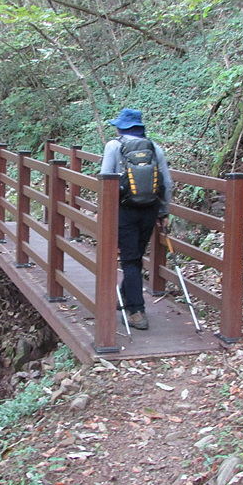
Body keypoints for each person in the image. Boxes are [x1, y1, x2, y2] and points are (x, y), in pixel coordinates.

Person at [100, 108, 173, 330]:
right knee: (136, 256)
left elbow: (106, 178)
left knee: (130, 260)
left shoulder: (114, 146)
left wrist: (104, 211)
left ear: (121, 128)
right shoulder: (154, 148)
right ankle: (125, 296)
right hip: (150, 209)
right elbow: (167, 183)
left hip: (125, 210)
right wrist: (163, 212)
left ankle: (135, 311)